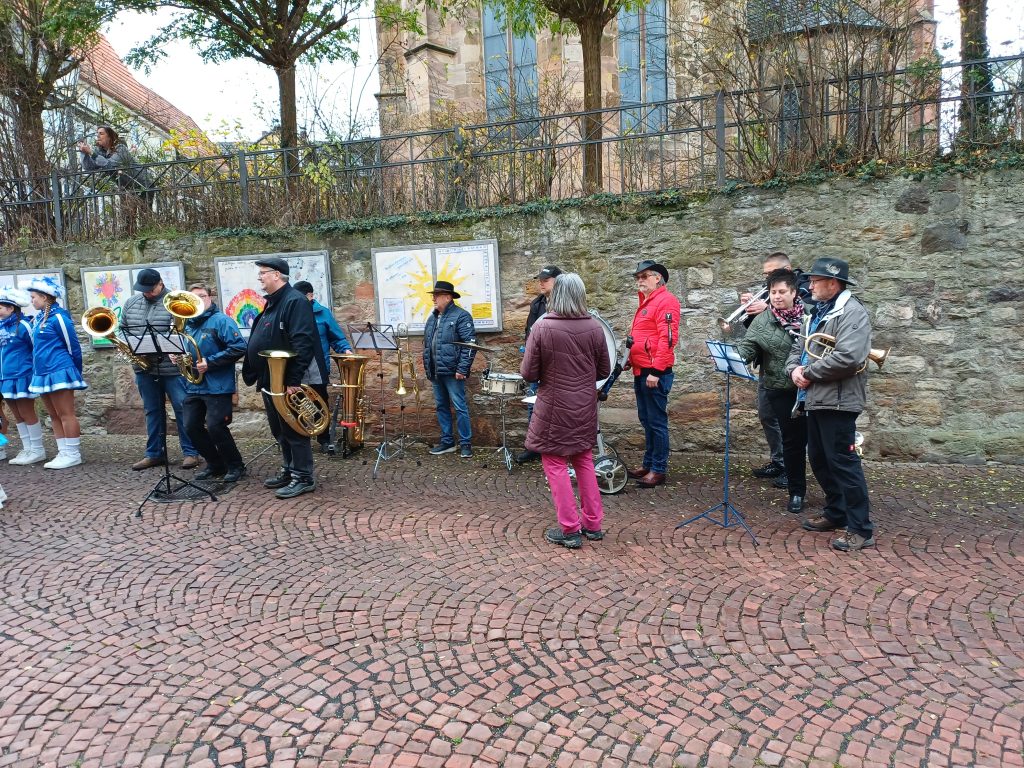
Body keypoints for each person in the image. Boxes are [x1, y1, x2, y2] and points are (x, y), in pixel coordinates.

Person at [787, 257, 876, 552]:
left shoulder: (852, 312)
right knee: (820, 459)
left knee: (843, 463)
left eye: (815, 281)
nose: (810, 286)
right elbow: (799, 347)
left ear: (833, 283)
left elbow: (849, 358)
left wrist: (808, 373)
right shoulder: (817, 311)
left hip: (838, 400)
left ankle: (860, 528)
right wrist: (794, 370)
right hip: (816, 398)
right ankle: (836, 511)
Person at [521, 273, 611, 549]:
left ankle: (570, 528)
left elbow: (528, 373)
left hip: (554, 405)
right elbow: (604, 370)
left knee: (555, 462)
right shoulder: (594, 326)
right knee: (583, 459)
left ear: (557, 294)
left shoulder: (542, 326)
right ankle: (593, 524)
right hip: (583, 405)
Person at [241, 257, 323, 499]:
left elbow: (303, 342)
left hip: (286, 381)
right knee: (279, 429)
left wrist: (293, 380)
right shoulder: (274, 301)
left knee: (294, 429)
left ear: (277, 275)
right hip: (270, 378)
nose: (259, 277)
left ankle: (303, 477)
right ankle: (289, 469)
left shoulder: (295, 301)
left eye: (263, 273)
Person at [734, 269, 808, 514]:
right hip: (780, 388)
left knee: (818, 442)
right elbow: (749, 347)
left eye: (782, 292)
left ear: (794, 292)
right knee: (791, 442)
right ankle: (797, 491)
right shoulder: (762, 320)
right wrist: (734, 358)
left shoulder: (810, 315)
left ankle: (834, 492)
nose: (777, 296)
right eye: (773, 292)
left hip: (811, 388)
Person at [121, 268, 202, 471]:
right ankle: (154, 454)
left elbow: (186, 331)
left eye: (150, 289)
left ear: (160, 284)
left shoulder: (175, 303)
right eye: (143, 290)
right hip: (144, 368)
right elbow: (122, 328)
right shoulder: (131, 303)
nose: (147, 293)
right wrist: (127, 344)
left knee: (182, 408)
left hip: (172, 368)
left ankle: (191, 452)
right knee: (152, 410)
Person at [180, 283, 248, 483]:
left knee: (216, 426)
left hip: (218, 385)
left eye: (202, 296)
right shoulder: (187, 324)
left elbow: (238, 347)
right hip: (194, 384)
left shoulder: (222, 321)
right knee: (190, 426)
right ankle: (215, 464)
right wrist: (178, 356)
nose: (198, 300)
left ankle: (236, 465)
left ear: (210, 297)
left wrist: (210, 362)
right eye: (193, 298)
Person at [626, 260, 681, 488]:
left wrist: (657, 371)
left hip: (654, 373)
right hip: (641, 370)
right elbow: (641, 338)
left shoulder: (666, 301)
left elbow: (667, 339)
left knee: (657, 422)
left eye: (644, 276)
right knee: (646, 420)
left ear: (657, 278)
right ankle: (648, 464)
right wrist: (629, 359)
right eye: (637, 277)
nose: (639, 281)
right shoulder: (647, 301)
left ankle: (658, 469)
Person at [25, 277, 87, 469]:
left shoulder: (59, 317)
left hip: (60, 370)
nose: (31, 301)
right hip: (43, 372)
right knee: (53, 415)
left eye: (34, 297)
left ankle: (73, 453)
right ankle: (63, 452)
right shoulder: (37, 319)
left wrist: (75, 372)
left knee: (66, 413)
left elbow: (73, 346)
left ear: (44, 297)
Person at [293, 279, 352, 453]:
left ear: (310, 296)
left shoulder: (323, 313)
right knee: (296, 403)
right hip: (295, 366)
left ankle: (324, 439)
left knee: (320, 403)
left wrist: (346, 350)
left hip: (316, 366)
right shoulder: (291, 313)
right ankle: (298, 439)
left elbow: (336, 337)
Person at [422, 280, 477, 459]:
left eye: (436, 296)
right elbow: (427, 345)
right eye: (433, 296)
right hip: (436, 371)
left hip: (454, 372)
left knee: (460, 407)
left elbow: (470, 345)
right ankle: (447, 442)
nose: (433, 299)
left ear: (447, 297)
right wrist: (428, 367)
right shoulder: (432, 318)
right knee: (441, 406)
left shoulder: (461, 316)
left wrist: (462, 369)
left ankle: (465, 443)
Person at [516, 264, 561, 465]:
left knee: (559, 407)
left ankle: (558, 447)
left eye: (546, 280)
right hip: (539, 363)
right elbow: (530, 333)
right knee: (533, 405)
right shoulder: (537, 303)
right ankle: (534, 447)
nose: (541, 283)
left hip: (559, 365)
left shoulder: (566, 303)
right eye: (540, 280)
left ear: (558, 281)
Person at [0, 288, 46, 465]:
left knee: (27, 413)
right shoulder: (1, 326)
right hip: (5, 378)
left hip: (22, 376)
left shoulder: (25, 325)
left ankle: (37, 449)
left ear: (11, 308)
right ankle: (27, 448)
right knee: (17, 416)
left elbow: (36, 349)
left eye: (0, 307)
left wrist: (35, 372)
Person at [78, 125, 155, 206]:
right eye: (97, 133)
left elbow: (110, 166)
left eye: (101, 133)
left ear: (110, 137)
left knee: (145, 211)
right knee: (127, 213)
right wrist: (83, 152)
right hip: (126, 187)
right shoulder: (101, 152)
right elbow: (89, 167)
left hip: (142, 184)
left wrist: (91, 153)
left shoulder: (121, 148)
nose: (98, 136)